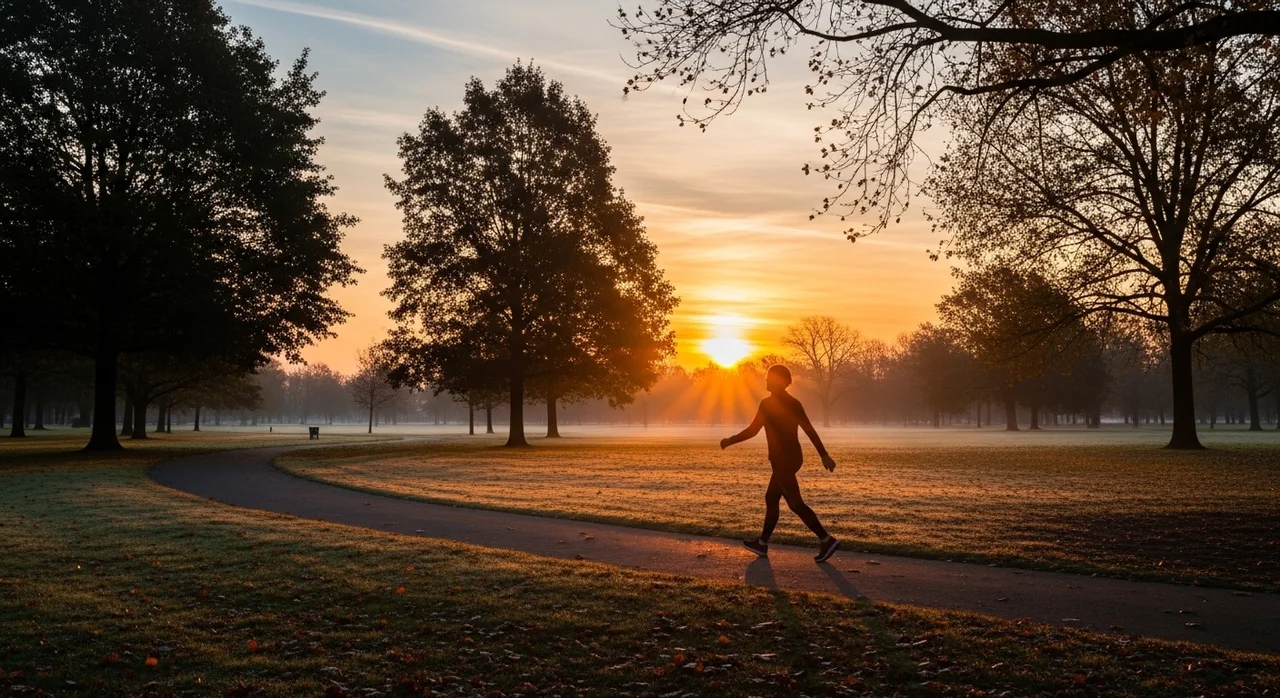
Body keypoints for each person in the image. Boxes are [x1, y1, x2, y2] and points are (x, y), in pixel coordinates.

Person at [720, 364, 840, 562]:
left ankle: (826, 540)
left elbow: (752, 430)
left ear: (779, 381)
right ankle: (762, 543)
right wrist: (823, 455)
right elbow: (809, 430)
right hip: (793, 457)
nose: (766, 381)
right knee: (771, 498)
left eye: (769, 378)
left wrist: (729, 440)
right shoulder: (794, 402)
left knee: (795, 503)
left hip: (782, 459)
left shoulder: (768, 403)